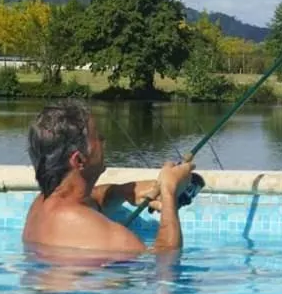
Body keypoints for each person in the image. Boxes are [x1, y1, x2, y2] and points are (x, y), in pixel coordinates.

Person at [21, 101, 195, 258]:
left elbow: (91, 199)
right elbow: (165, 266)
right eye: (98, 137)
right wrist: (169, 190)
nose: (104, 140)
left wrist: (123, 191)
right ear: (79, 160)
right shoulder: (111, 237)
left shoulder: (40, 206)